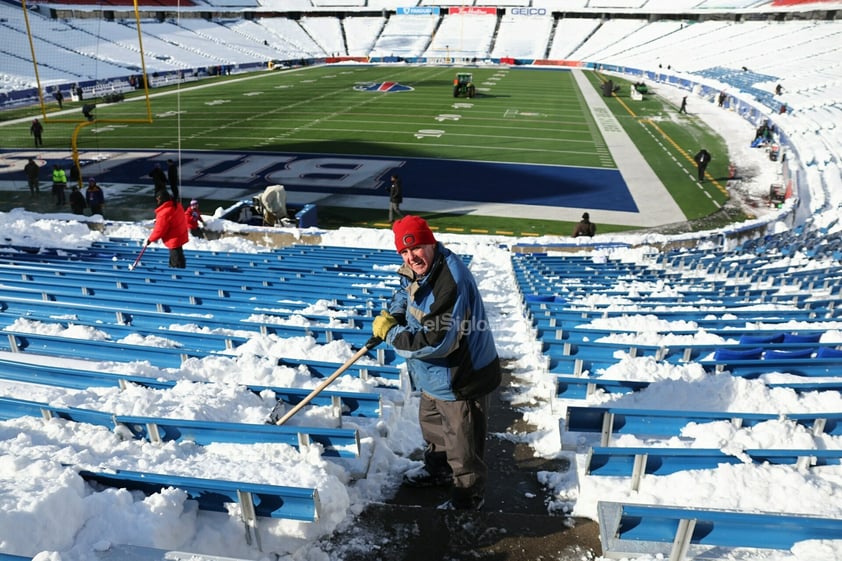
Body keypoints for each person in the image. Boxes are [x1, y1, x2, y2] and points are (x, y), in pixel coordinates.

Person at [372, 215, 501, 511]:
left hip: (460, 377)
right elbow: (406, 293)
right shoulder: (420, 268)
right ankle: (438, 471)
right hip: (433, 374)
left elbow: (436, 341)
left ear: (430, 242)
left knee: (462, 442)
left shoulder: (450, 282)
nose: (410, 257)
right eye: (404, 252)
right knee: (433, 427)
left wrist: (391, 333)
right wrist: (393, 314)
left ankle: (467, 497)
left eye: (415, 247)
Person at [146, 190, 189, 268]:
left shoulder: (164, 213)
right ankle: (179, 267)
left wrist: (150, 239)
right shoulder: (176, 205)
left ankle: (177, 273)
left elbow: (159, 230)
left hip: (173, 238)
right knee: (178, 255)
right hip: (180, 234)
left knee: (176, 260)